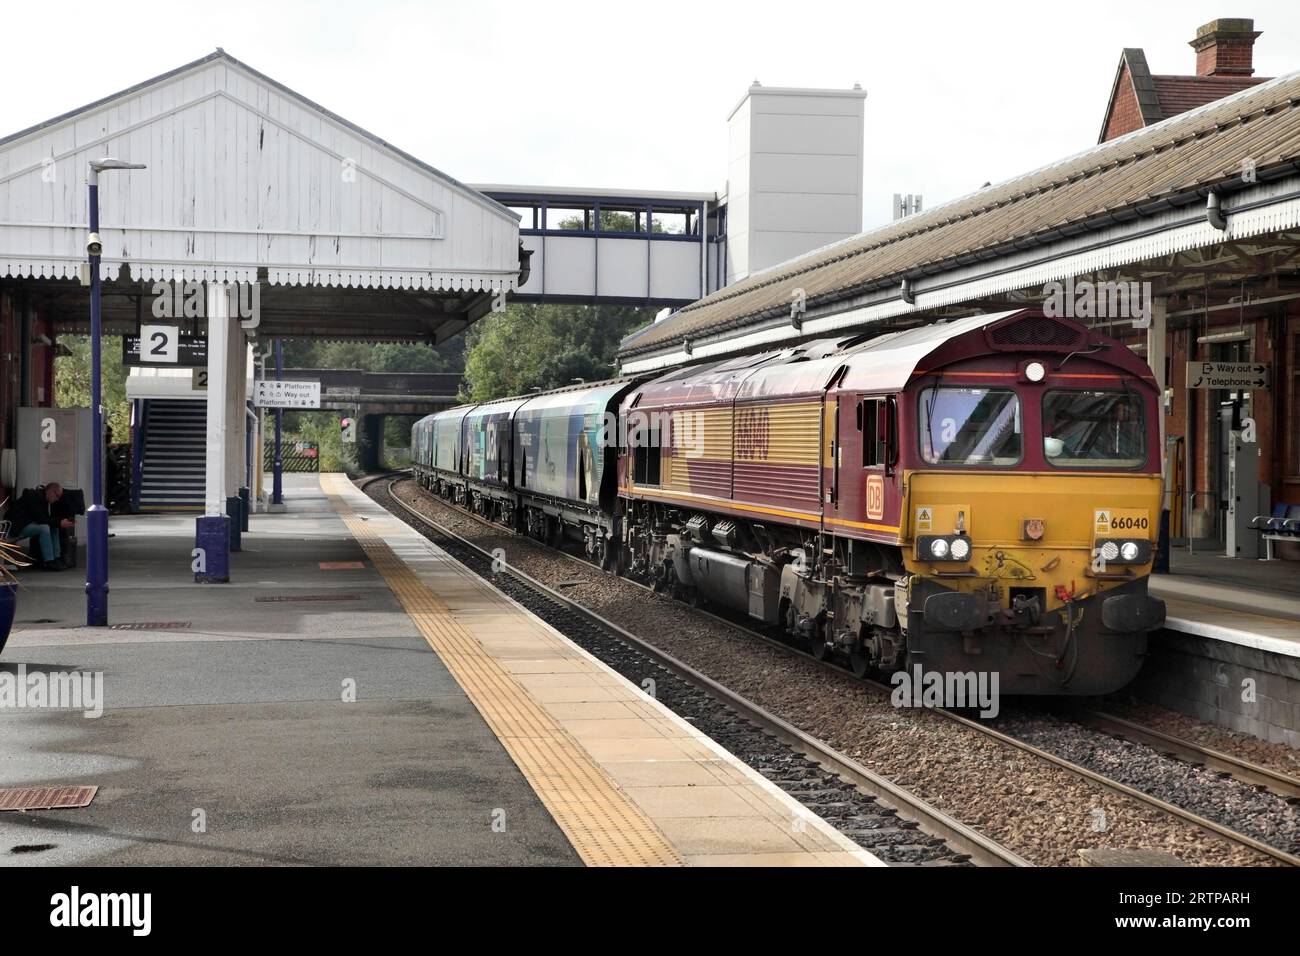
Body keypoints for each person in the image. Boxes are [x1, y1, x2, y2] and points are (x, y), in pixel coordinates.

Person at [7, 483, 74, 571]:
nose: (57, 499)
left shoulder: (43, 499)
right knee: (44, 528)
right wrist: (59, 522)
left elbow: (44, 519)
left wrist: (58, 523)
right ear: (50, 492)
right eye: (57, 496)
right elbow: (41, 519)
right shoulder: (34, 497)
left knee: (53, 527)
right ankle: (49, 561)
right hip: (16, 527)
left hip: (27, 524)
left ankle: (57, 558)